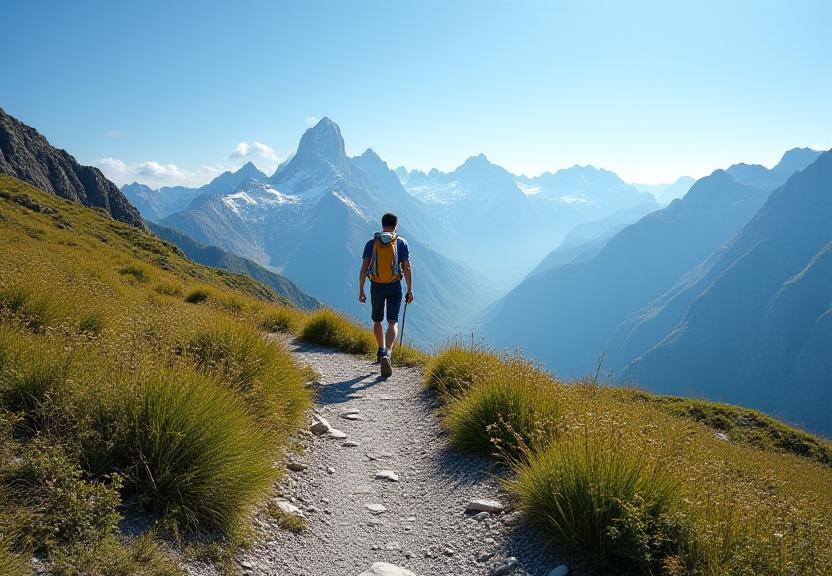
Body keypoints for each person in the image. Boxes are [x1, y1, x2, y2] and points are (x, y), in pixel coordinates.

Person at [358, 212, 414, 378]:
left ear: (382, 225)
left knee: (377, 320)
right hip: (394, 286)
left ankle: (381, 349)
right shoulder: (401, 243)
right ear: (396, 225)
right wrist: (410, 289)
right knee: (392, 322)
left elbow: (364, 268)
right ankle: (388, 354)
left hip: (376, 286)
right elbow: (407, 268)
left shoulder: (371, 243)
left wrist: (361, 289)